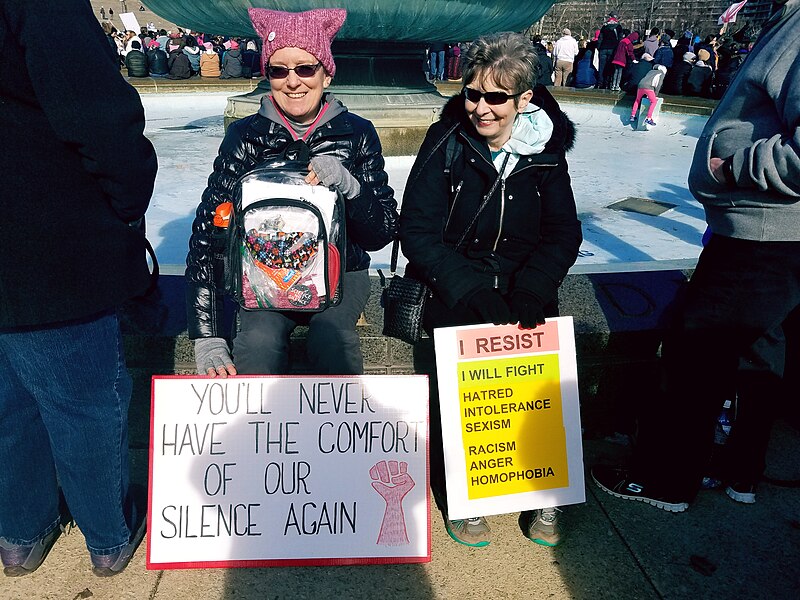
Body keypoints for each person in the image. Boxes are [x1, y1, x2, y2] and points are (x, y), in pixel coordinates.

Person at [592, 0, 800, 512]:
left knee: (693, 356)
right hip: (773, 232)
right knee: (760, 349)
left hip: (764, 232)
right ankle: (740, 471)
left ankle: (664, 480)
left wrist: (736, 169)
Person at [399, 32, 582, 547]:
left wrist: (531, 289)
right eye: (472, 93)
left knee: (541, 379)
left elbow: (562, 233)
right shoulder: (446, 143)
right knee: (462, 383)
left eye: (495, 97)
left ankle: (546, 486)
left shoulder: (545, 153)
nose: (480, 107)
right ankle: (464, 490)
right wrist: (469, 288)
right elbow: (415, 228)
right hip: (457, 285)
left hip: (524, 285)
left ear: (525, 99)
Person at [0, 0, 157, 577]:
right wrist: (124, 202)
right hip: (45, 241)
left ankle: (19, 535)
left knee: (9, 403)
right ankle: (108, 534)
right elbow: (99, 117)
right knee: (85, 403)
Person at [185, 7, 398, 377]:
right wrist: (207, 334)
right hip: (264, 272)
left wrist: (351, 186)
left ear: (326, 74)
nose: (293, 81)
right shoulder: (245, 136)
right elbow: (209, 230)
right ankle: (256, 431)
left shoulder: (357, 133)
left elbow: (381, 232)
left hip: (341, 271)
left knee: (333, 338)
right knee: (258, 343)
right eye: (279, 70)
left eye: (305, 68)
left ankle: (339, 430)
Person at [596, 13, 623, 88]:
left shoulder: (604, 27)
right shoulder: (618, 27)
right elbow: (620, 39)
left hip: (603, 48)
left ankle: (600, 83)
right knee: (610, 67)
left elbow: (600, 38)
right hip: (613, 49)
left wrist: (599, 48)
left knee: (601, 67)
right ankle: (608, 83)